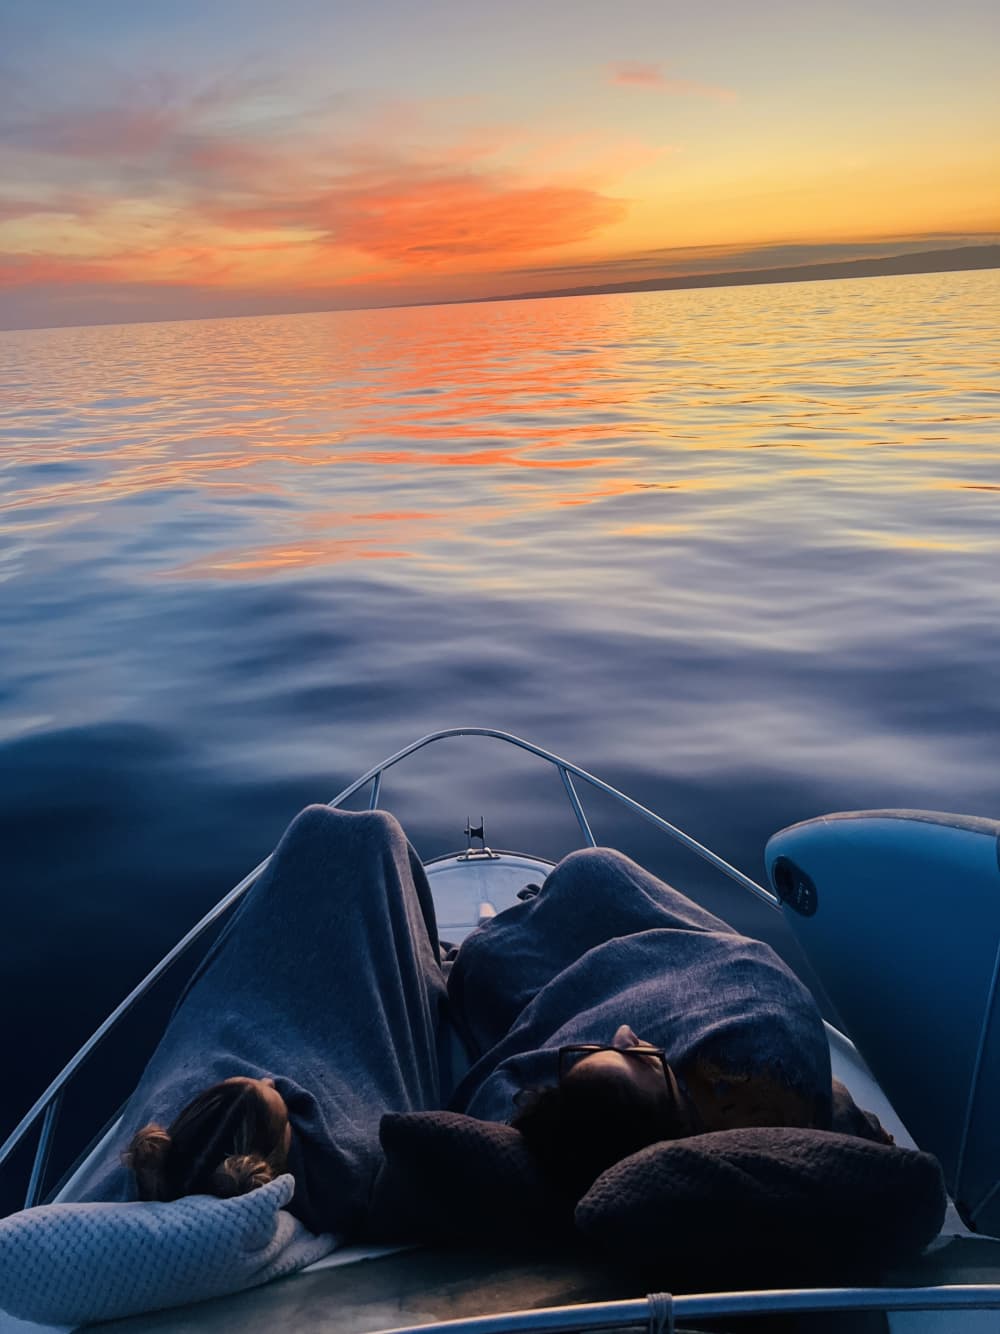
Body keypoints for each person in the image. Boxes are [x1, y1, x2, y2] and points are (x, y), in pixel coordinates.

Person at [70, 805, 452, 1237]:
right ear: (272, 1158)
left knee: (321, 827)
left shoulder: (134, 1187)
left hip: (229, 1028)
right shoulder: (352, 1177)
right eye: (283, 1110)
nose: (272, 1082)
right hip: (312, 1030)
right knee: (371, 834)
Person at [446, 845, 884, 1199]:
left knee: (492, 958)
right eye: (644, 1058)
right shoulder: (734, 1100)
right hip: (739, 986)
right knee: (594, 870)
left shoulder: (620, 1124)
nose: (623, 1032)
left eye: (596, 1048)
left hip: (606, 977)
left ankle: (529, 926)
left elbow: (507, 1086)